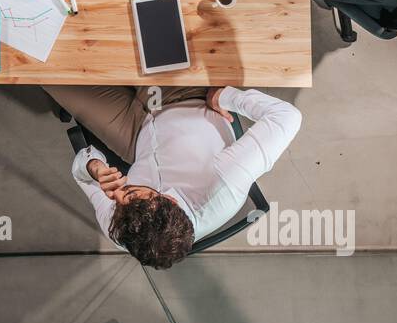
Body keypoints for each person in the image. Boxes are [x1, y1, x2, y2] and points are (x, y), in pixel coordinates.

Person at [44, 85, 301, 269]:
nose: (121, 194)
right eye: (134, 190)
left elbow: (82, 174)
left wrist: (95, 168)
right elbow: (287, 117)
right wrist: (226, 96)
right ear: (172, 200)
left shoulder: (122, 229)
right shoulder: (224, 181)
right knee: (143, 28)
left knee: (46, 69)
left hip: (135, 135)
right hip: (182, 97)